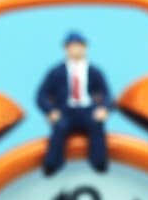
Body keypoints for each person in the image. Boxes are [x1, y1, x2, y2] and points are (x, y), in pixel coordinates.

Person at [36, 31, 112, 175]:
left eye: (79, 46)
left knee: (96, 126)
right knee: (60, 127)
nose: (75, 50)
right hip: (65, 111)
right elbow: (41, 95)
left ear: (85, 48)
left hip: (87, 110)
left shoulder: (94, 72)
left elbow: (106, 94)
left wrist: (103, 109)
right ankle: (52, 164)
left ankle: (99, 163)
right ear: (66, 49)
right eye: (72, 46)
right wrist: (50, 111)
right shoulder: (56, 72)